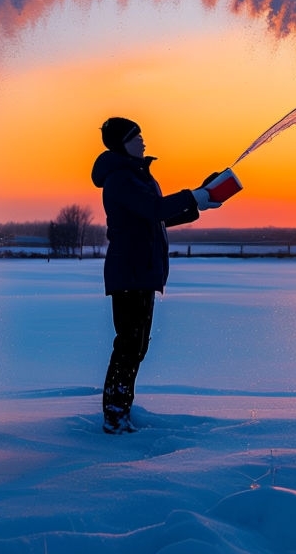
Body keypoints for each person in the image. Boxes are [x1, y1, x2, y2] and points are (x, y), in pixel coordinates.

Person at [91, 117, 225, 434]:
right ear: (122, 143)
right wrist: (195, 196)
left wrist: (199, 202)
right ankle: (115, 416)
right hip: (130, 272)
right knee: (129, 346)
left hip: (142, 272)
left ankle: (120, 412)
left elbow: (154, 217)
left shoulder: (136, 176)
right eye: (136, 136)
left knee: (136, 346)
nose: (143, 141)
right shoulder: (121, 179)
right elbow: (154, 210)